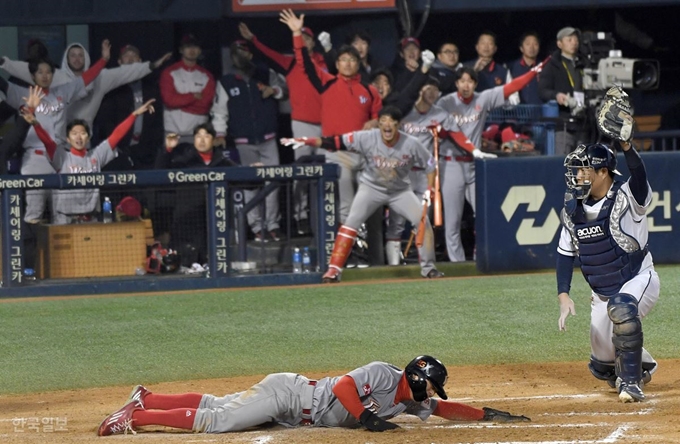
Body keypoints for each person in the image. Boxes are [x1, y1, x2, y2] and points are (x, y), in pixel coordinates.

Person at [97, 354, 530, 436]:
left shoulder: (409, 400)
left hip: (292, 407)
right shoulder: (383, 373)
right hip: (289, 396)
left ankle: (148, 398)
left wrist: (486, 414)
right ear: (419, 377)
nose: (431, 394)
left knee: (216, 404)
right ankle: (135, 419)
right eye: (431, 385)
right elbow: (342, 385)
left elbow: (443, 408)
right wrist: (364, 417)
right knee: (219, 421)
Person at [556, 88, 659, 403]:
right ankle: (641, 364)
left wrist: (627, 145)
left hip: (638, 279)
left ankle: (631, 384)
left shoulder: (628, 195)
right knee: (601, 366)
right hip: (601, 293)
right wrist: (563, 295)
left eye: (586, 168)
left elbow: (639, 178)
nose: (579, 174)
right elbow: (564, 254)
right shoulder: (574, 208)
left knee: (622, 309)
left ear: (603, 172)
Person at [282, 105, 444, 281]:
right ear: (379, 124)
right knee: (351, 223)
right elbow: (336, 142)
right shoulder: (367, 137)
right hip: (371, 188)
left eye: (392, 122)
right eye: (383, 121)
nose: (387, 125)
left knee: (423, 222)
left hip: (400, 191)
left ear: (398, 125)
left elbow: (430, 165)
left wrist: (430, 189)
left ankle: (428, 268)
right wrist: (307, 141)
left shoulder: (411, 143)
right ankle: (334, 270)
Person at [280, 9, 382, 227]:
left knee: (371, 207)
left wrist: (374, 122)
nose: (347, 63)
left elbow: (380, 119)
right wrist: (297, 34)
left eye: (351, 59)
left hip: (365, 153)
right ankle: (349, 255)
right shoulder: (327, 82)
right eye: (343, 59)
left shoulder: (369, 90)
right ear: (336, 64)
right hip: (338, 153)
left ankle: (375, 258)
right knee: (346, 207)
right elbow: (304, 64)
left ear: (358, 63)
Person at [436, 63, 545, 262]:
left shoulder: (482, 98)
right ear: (456, 83)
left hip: (475, 165)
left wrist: (534, 71)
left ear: (475, 83)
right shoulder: (445, 103)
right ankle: (457, 263)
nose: (466, 85)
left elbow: (511, 87)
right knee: (452, 221)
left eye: (470, 81)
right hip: (451, 164)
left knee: (485, 214)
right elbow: (451, 133)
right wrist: (474, 149)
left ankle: (483, 257)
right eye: (462, 81)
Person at [238, 21, 327, 236]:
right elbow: (268, 54)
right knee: (302, 172)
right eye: (301, 37)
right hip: (302, 124)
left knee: (329, 172)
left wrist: (327, 52)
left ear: (313, 43)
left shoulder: (324, 62)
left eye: (307, 38)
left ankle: (326, 215)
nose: (304, 41)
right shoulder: (290, 62)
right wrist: (253, 40)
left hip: (326, 124)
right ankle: (301, 216)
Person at [385, 77, 480, 265]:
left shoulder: (440, 114)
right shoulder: (405, 111)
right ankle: (393, 270)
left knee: (422, 221)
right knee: (396, 222)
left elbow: (457, 135)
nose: (432, 93)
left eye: (435, 90)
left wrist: (475, 150)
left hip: (423, 174)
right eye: (428, 89)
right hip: (401, 172)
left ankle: (425, 266)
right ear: (419, 89)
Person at [31, 96, 156, 224]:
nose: (79, 137)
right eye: (74, 134)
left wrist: (134, 114)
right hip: (64, 219)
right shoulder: (62, 157)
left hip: (91, 218)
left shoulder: (95, 155)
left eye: (83, 133)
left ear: (89, 137)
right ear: (68, 139)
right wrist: (36, 124)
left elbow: (116, 135)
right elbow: (48, 142)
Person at [211, 39, 288, 242]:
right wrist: (220, 134)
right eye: (236, 53)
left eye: (244, 52)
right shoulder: (227, 81)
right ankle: (256, 226)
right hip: (243, 141)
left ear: (251, 54)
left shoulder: (265, 73)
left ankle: (273, 225)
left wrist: (275, 91)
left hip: (268, 138)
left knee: (273, 182)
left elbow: (285, 89)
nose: (240, 56)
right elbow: (219, 112)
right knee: (249, 184)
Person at [1, 41, 168, 128]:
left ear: (86, 57)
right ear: (66, 58)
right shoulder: (54, 76)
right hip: (55, 140)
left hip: (84, 140)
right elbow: (27, 69)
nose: (77, 59)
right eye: (72, 55)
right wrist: (4, 63)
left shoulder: (101, 77)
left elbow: (124, 73)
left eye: (80, 55)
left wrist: (150, 66)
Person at [155, 123, 237, 267]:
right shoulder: (184, 160)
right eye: (198, 136)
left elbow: (246, 181)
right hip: (186, 222)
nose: (202, 140)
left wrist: (255, 171)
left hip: (214, 222)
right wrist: (167, 149)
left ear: (214, 139)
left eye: (206, 136)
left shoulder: (222, 162)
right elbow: (159, 172)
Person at [94, 44, 168, 171]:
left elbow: (157, 123)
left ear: (140, 62)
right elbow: (106, 122)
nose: (130, 59)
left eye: (134, 56)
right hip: (118, 152)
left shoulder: (151, 89)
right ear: (119, 62)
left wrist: (151, 147)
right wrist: (118, 146)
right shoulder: (112, 90)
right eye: (126, 56)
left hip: (145, 154)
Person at [538, 27, 589, 155]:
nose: (574, 43)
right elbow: (543, 91)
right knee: (564, 165)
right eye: (569, 40)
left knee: (584, 166)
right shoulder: (552, 65)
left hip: (584, 123)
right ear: (559, 44)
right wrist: (556, 95)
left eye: (576, 40)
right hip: (563, 124)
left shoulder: (585, 63)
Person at [160, 34, 216, 143]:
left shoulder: (206, 76)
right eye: (188, 47)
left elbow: (205, 105)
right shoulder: (169, 72)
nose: (192, 50)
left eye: (195, 47)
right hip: (172, 132)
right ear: (181, 50)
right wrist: (193, 96)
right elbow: (169, 101)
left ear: (200, 50)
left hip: (198, 134)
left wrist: (180, 102)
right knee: (170, 160)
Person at [507, 32, 542, 105]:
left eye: (535, 44)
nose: (532, 47)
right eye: (528, 44)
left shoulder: (545, 67)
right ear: (521, 48)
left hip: (539, 112)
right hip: (518, 113)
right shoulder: (511, 67)